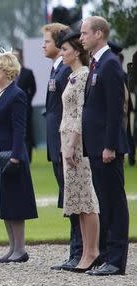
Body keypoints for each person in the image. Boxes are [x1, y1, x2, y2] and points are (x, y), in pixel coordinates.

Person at [80, 16, 129, 276]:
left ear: (99, 34)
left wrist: (110, 145)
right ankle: (108, 255)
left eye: (85, 33)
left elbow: (114, 111)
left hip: (106, 148)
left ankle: (117, 259)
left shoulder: (109, 64)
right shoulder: (97, 63)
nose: (81, 38)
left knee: (114, 202)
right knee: (105, 202)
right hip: (97, 146)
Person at [0, 52, 37, 264]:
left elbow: (19, 129)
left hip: (8, 155)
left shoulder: (16, 95)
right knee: (1, 201)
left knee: (14, 201)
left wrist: (15, 157)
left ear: (7, 71)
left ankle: (20, 249)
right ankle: (12, 247)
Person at [42, 23, 83, 272]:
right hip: (56, 142)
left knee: (75, 200)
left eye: (47, 41)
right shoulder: (56, 70)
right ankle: (75, 251)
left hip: (64, 142)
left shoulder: (65, 73)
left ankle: (79, 252)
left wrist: (65, 144)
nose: (43, 46)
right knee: (68, 200)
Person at [58, 31, 100, 272]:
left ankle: (92, 250)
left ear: (76, 51)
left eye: (65, 49)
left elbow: (81, 113)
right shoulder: (73, 76)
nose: (62, 53)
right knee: (78, 199)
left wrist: (72, 143)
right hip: (68, 140)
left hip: (78, 142)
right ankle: (86, 250)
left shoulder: (83, 75)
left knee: (86, 197)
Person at [13, 49, 36, 162]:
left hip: (26, 108)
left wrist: (27, 100)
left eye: (16, 56)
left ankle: (28, 158)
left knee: (27, 133)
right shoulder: (9, 73)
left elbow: (33, 89)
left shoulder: (27, 72)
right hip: (12, 109)